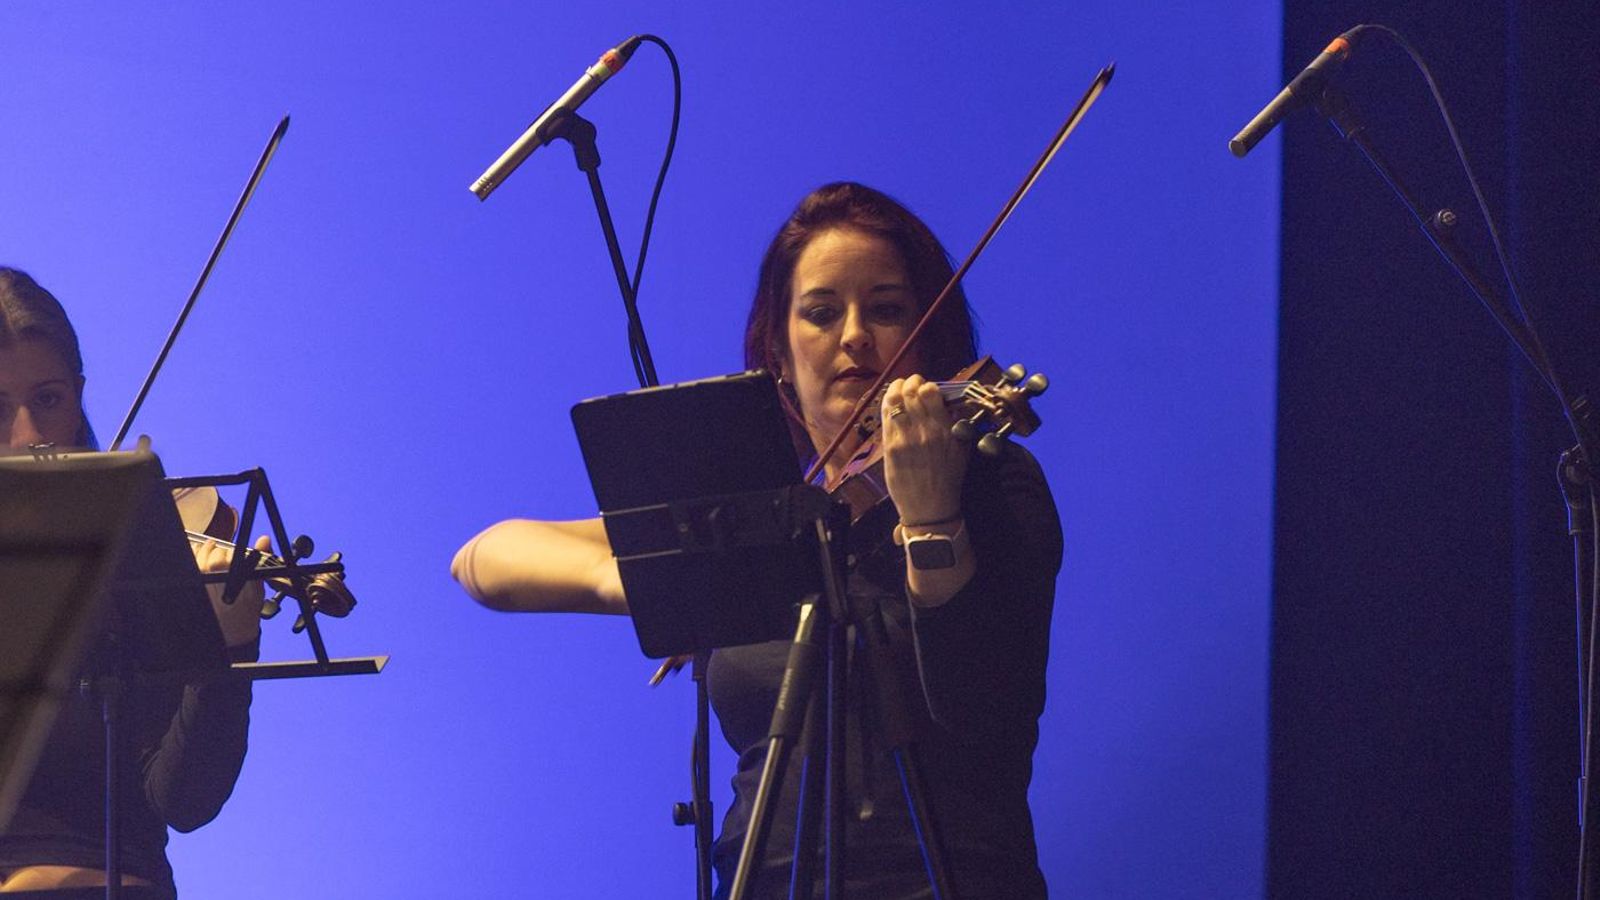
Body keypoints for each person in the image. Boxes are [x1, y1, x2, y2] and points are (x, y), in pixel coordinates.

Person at [453, 182, 1063, 897]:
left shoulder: (991, 484)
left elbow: (985, 712)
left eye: (888, 310)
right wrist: (670, 583)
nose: (854, 336)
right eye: (821, 312)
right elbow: (482, 559)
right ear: (780, 348)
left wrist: (930, 522)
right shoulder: (762, 513)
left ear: (927, 336)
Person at [0, 267, 266, 898]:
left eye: (49, 399)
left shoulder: (140, 553)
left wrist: (229, 651)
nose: (30, 436)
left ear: (80, 394)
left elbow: (185, 800)